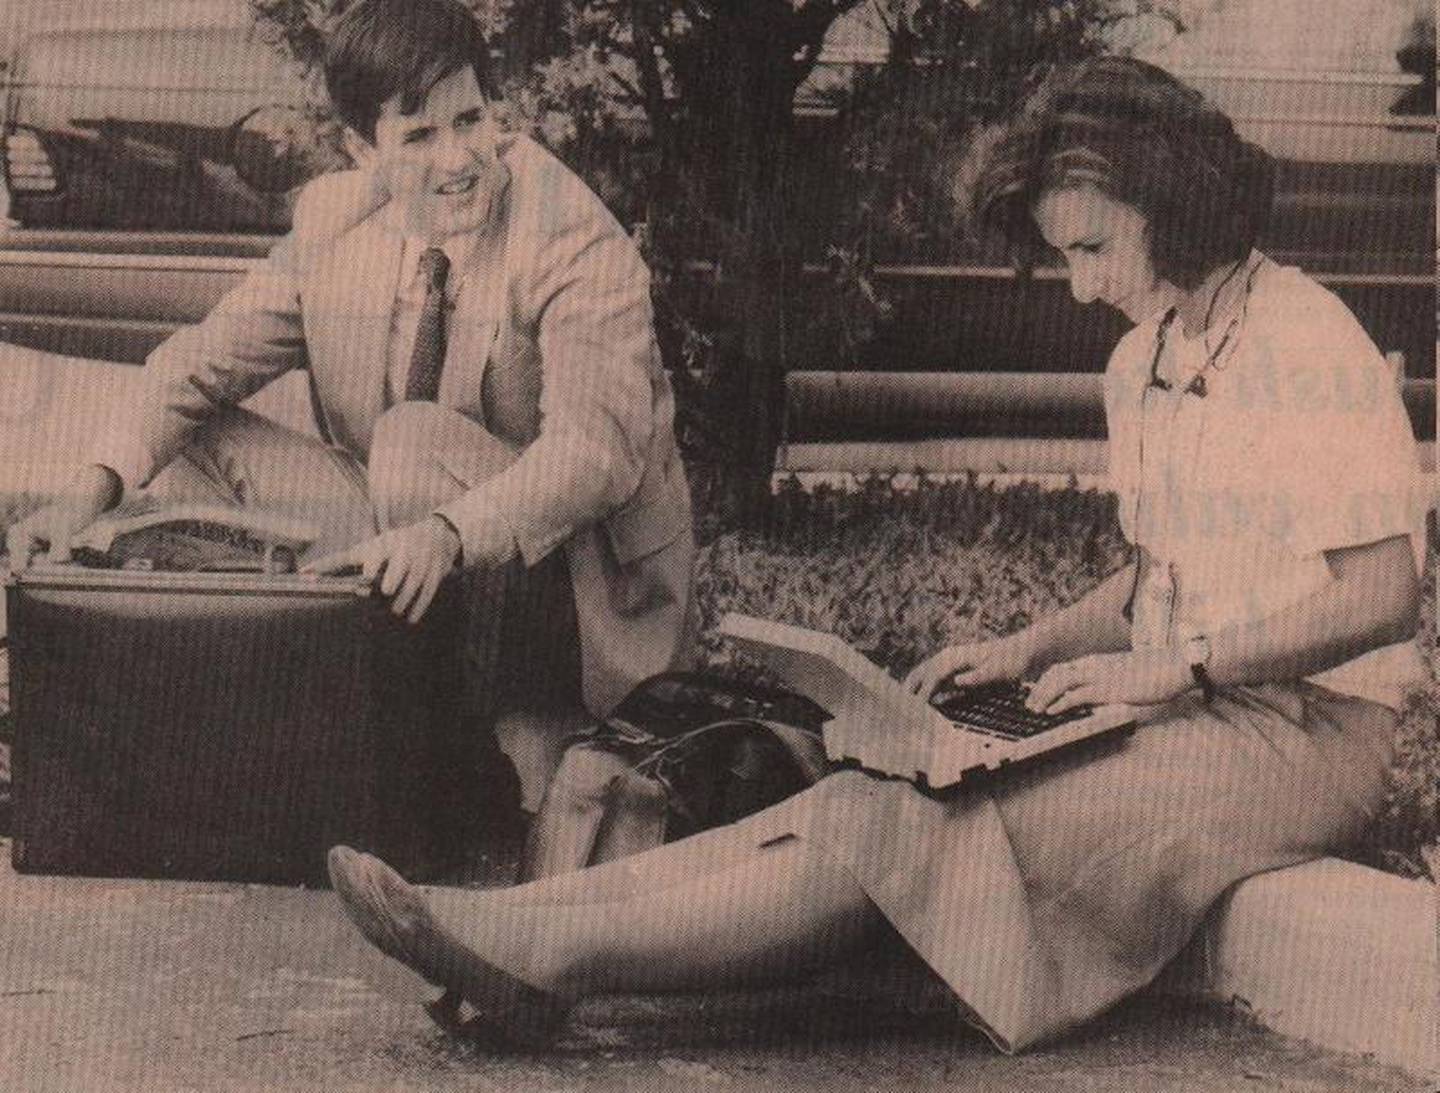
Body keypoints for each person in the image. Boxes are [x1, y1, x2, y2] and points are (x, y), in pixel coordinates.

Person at [324, 56, 1424, 1052]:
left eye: (1091, 249)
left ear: (1172, 204)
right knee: (872, 800)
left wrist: (1178, 669)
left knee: (935, 832)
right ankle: (522, 922)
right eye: (1065, 256)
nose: (1082, 286)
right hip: (1192, 707)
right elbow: (1156, 574)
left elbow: (1385, 594)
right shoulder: (1148, 358)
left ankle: (549, 960)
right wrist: (1026, 649)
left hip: (1306, 737)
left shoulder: (1302, 338)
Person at [4, 0, 694, 823]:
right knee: (191, 435)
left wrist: (446, 533)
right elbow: (193, 366)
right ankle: (332, 704)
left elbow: (595, 454)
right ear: (364, 149)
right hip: (410, 546)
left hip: (568, 591)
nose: (458, 159)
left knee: (407, 442)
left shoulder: (570, 232)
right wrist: (87, 491)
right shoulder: (336, 221)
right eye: (419, 136)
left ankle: (465, 740)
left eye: (470, 120)